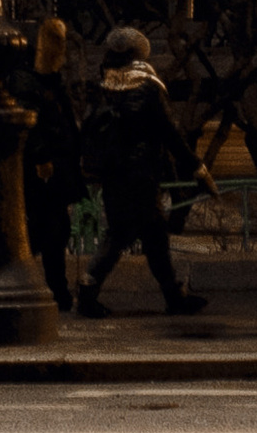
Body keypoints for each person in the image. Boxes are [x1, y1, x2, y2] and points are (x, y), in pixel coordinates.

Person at [77, 26, 208, 318]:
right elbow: (170, 132)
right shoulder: (148, 86)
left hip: (112, 174)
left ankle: (171, 294)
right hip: (143, 174)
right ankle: (90, 290)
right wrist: (196, 166)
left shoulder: (103, 86)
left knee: (148, 234)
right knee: (129, 234)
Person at [23, 19, 84, 314]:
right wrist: (42, 158)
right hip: (46, 173)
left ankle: (56, 291)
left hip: (52, 171)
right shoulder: (40, 84)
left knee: (50, 233)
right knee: (51, 232)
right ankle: (56, 292)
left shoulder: (46, 81)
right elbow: (36, 126)